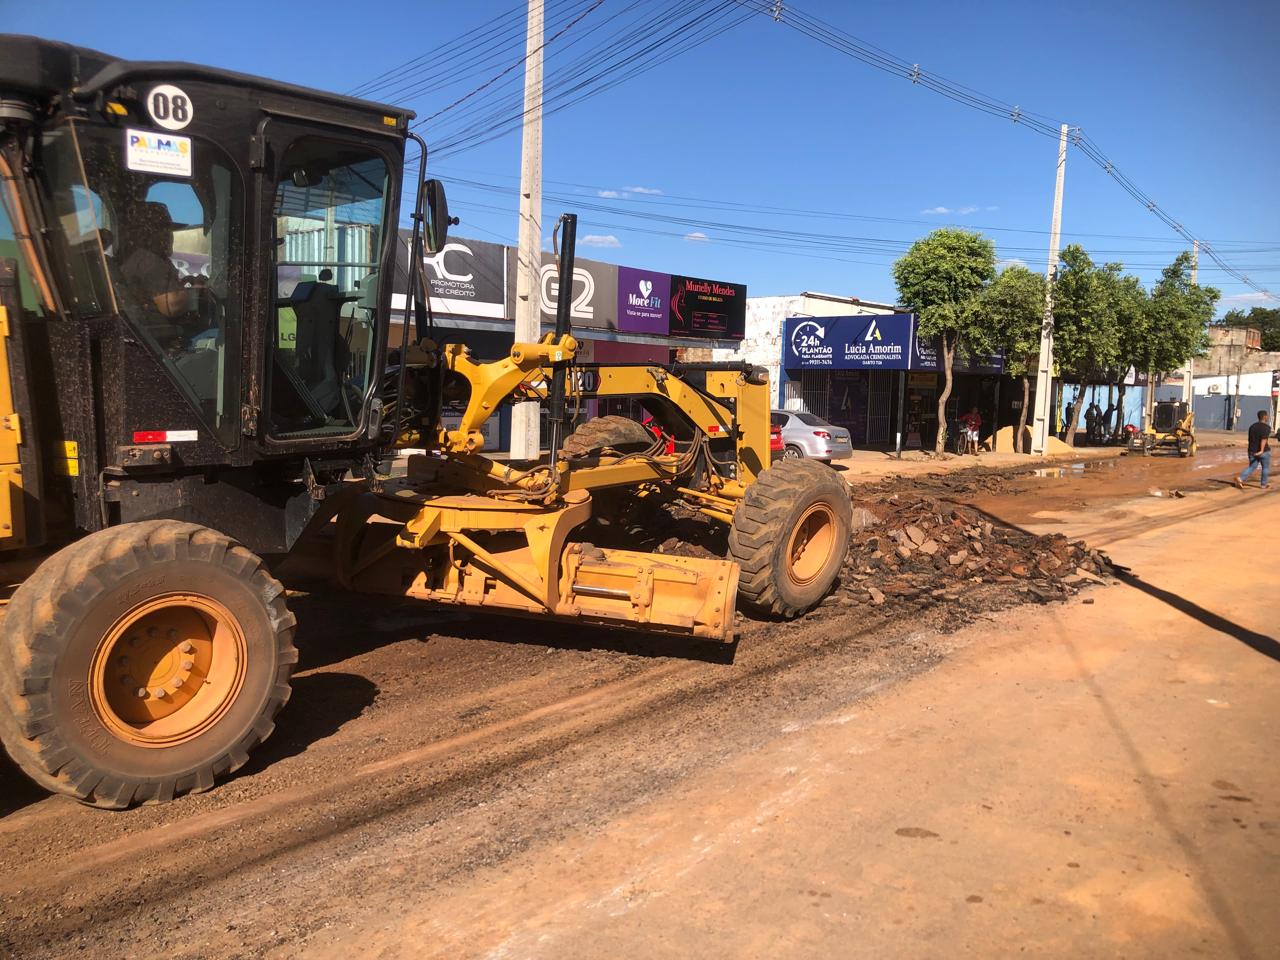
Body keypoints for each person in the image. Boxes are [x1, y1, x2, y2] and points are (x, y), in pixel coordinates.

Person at [1233, 410, 1271, 490]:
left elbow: (1250, 439)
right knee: (1265, 468)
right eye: (1267, 416)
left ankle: (1240, 479)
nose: (1268, 417)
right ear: (1264, 417)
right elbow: (1264, 439)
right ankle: (1263, 485)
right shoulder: (1266, 427)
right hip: (1263, 451)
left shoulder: (1252, 426)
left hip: (1252, 451)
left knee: (1252, 466)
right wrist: (1261, 450)